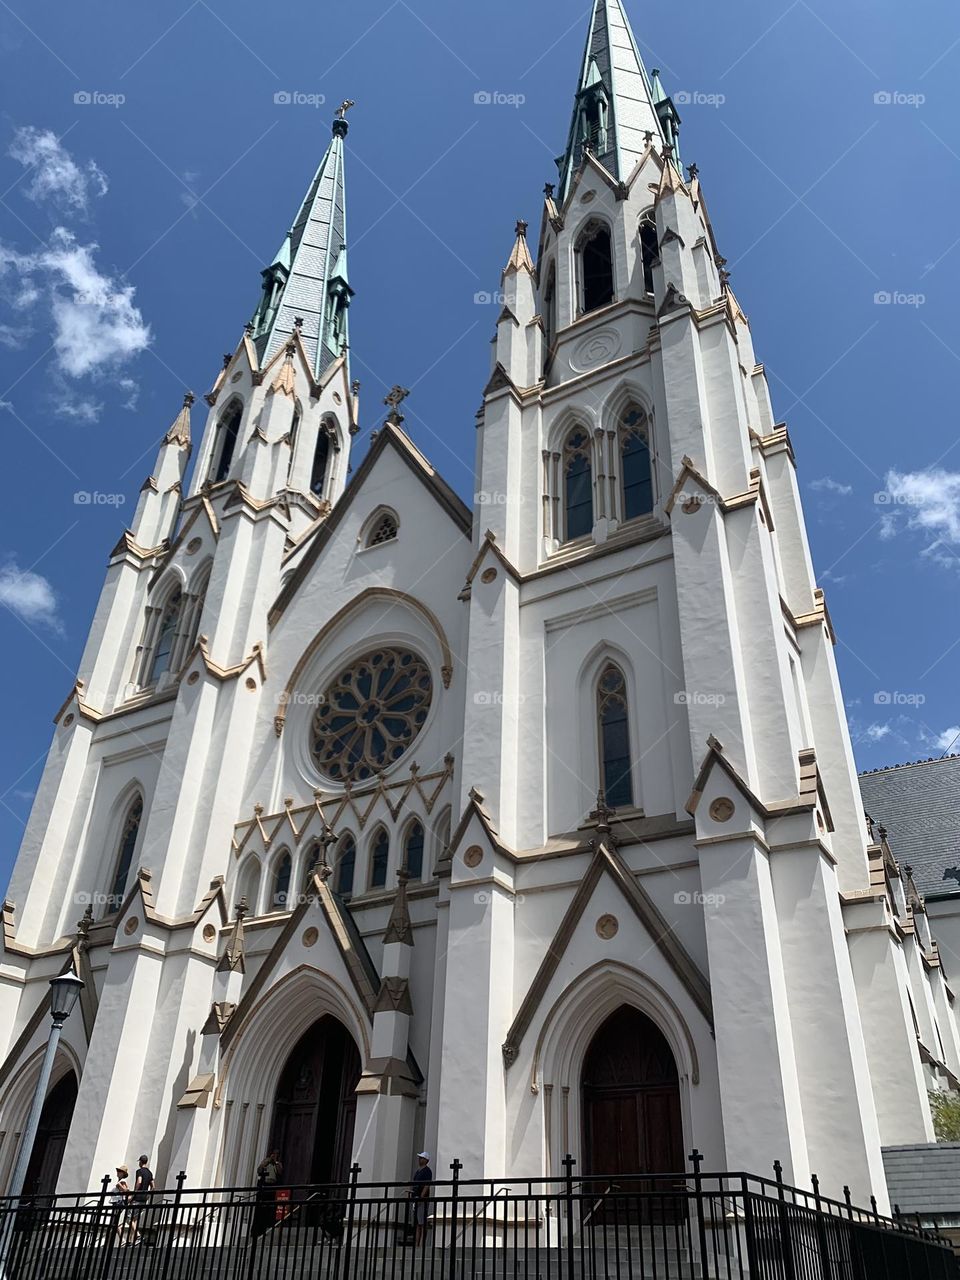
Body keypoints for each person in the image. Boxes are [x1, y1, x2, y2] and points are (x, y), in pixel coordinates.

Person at [252, 1149, 283, 1239]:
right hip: (264, 1186)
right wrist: (267, 1162)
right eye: (274, 1154)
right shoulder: (265, 1161)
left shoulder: (278, 1164)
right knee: (259, 1210)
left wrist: (275, 1162)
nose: (275, 1155)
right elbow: (259, 1170)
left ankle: (264, 1229)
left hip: (272, 1187)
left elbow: (280, 1172)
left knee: (268, 1210)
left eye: (277, 1154)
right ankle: (256, 1230)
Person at [128, 1155, 155, 1244]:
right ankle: (132, 1240)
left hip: (137, 1198)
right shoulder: (149, 1173)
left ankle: (138, 1235)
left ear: (140, 1162)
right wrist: (148, 1195)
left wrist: (134, 1194)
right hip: (144, 1199)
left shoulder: (139, 1171)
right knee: (135, 1220)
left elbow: (139, 1182)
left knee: (129, 1219)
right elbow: (153, 1186)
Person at [410, 1152, 433, 1248]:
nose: (419, 1160)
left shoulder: (427, 1171)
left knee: (422, 1222)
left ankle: (422, 1244)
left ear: (426, 1160)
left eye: (422, 1158)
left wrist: (421, 1197)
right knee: (417, 1223)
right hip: (415, 1198)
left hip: (422, 1199)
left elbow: (427, 1185)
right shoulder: (418, 1171)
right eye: (419, 1158)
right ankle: (417, 1244)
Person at [110, 1166, 132, 1245]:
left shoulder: (122, 1181)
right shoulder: (120, 1181)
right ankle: (121, 1240)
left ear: (123, 1173)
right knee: (114, 1222)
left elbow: (125, 1190)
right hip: (116, 1202)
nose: (118, 1172)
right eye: (118, 1171)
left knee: (115, 1222)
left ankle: (122, 1240)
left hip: (118, 1202)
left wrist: (119, 1185)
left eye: (120, 1171)